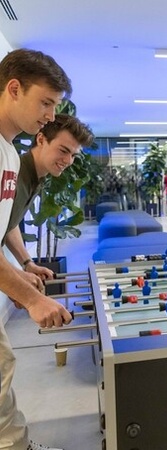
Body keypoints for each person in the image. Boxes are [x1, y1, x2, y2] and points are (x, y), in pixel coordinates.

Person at [0, 48, 73, 450]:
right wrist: (30, 299)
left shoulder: (8, 150)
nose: (49, 113)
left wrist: (23, 263)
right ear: (14, 89)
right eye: (45, 102)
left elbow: (4, 225)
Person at [3, 114, 94, 280]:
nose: (68, 161)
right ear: (41, 139)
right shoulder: (14, 174)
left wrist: (27, 263)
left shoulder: (35, 177)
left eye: (73, 155)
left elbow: (9, 223)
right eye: (63, 150)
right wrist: (17, 279)